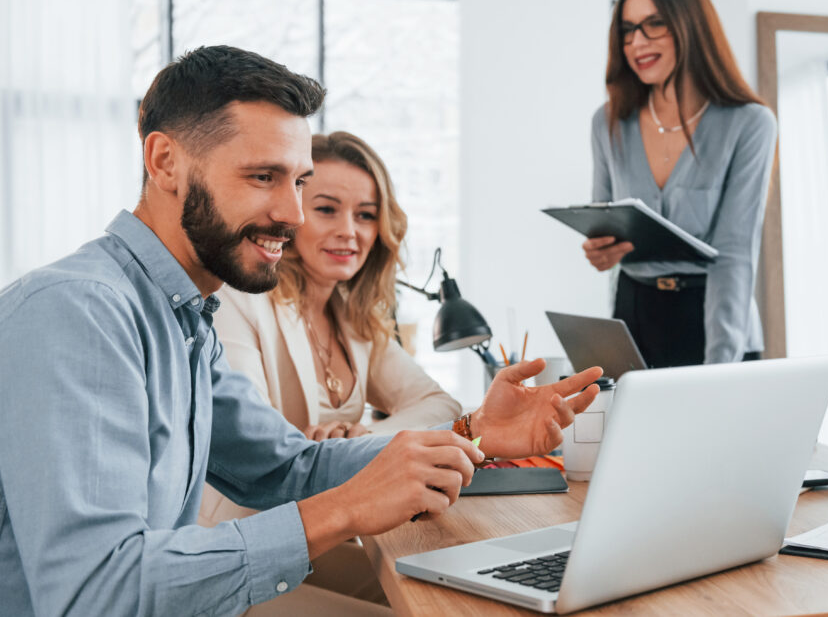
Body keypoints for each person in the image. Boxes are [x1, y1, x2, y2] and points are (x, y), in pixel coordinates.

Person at [0, 45, 601, 616]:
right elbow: (94, 596)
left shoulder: (184, 318)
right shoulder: (78, 312)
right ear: (165, 162)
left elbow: (289, 467)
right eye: (263, 177)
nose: (291, 213)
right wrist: (344, 510)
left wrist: (470, 432)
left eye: (296, 180)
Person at [198, 130, 465, 605]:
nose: (350, 230)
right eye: (327, 209)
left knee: (451, 583)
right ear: (291, 212)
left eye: (365, 215)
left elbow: (438, 402)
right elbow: (260, 451)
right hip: (243, 548)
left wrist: (364, 437)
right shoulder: (239, 301)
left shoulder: (354, 315)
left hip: (320, 538)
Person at [584, 0, 777, 367]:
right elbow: (603, 223)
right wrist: (603, 252)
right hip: (635, 310)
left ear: (690, 25)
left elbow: (735, 253)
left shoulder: (748, 123)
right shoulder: (608, 122)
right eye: (628, 29)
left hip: (712, 313)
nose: (637, 42)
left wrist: (720, 364)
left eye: (654, 25)